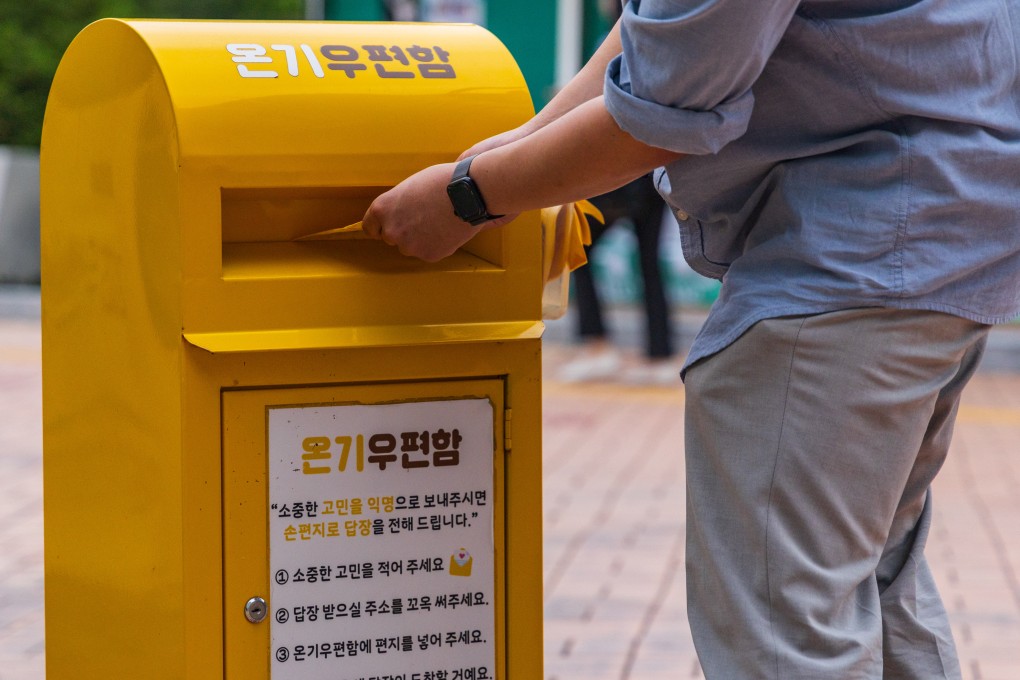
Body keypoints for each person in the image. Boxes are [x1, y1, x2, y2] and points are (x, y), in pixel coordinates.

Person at [361, 1, 1020, 677]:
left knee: (785, 629)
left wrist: (469, 197)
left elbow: (660, 115)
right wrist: (516, 146)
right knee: (873, 590)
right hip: (942, 240)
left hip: (850, 257)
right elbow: (656, 37)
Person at [558, 175, 679, 384]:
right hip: (652, 175)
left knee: (578, 249)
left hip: (615, 176)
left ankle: (598, 348)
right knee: (649, 262)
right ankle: (660, 357)